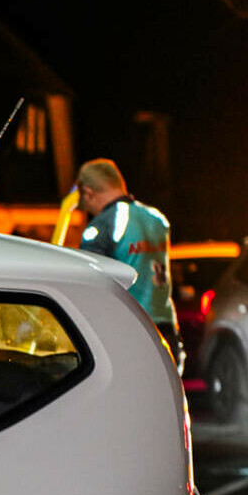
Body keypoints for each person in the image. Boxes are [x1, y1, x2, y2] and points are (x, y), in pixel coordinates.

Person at [75, 158, 178, 368]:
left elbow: (87, 283)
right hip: (166, 325)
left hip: (132, 328)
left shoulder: (105, 224)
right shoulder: (156, 218)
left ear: (88, 192)